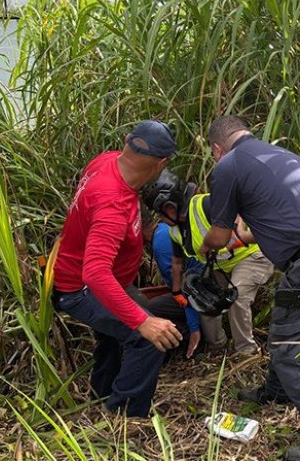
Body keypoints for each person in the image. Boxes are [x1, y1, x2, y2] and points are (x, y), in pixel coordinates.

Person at [198, 116, 300, 461]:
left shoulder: (229, 165)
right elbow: (282, 219)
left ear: (217, 148)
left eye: (214, 154)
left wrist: (206, 247)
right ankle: (278, 391)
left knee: (293, 345)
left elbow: (218, 233)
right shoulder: (279, 155)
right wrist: (242, 240)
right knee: (285, 322)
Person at [51, 120, 183, 418]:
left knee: (115, 334)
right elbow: (95, 273)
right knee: (149, 338)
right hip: (80, 289)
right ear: (161, 164)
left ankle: (102, 394)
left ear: (128, 142)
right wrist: (143, 323)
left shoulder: (108, 160)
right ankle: (124, 416)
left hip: (102, 280)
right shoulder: (112, 204)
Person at [142, 171, 275, 356]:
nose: (161, 219)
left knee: (238, 296)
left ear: (170, 206)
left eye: (161, 213)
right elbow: (177, 263)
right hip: (223, 266)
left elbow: (240, 211)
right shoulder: (176, 232)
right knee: (204, 300)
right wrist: (178, 292)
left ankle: (246, 352)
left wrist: (235, 233)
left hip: (250, 256)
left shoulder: (204, 204)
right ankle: (216, 349)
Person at [139, 206, 202, 360]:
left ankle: (188, 339)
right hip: (200, 286)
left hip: (200, 292)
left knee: (151, 307)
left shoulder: (161, 242)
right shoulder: (162, 229)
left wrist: (194, 328)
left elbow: (183, 288)